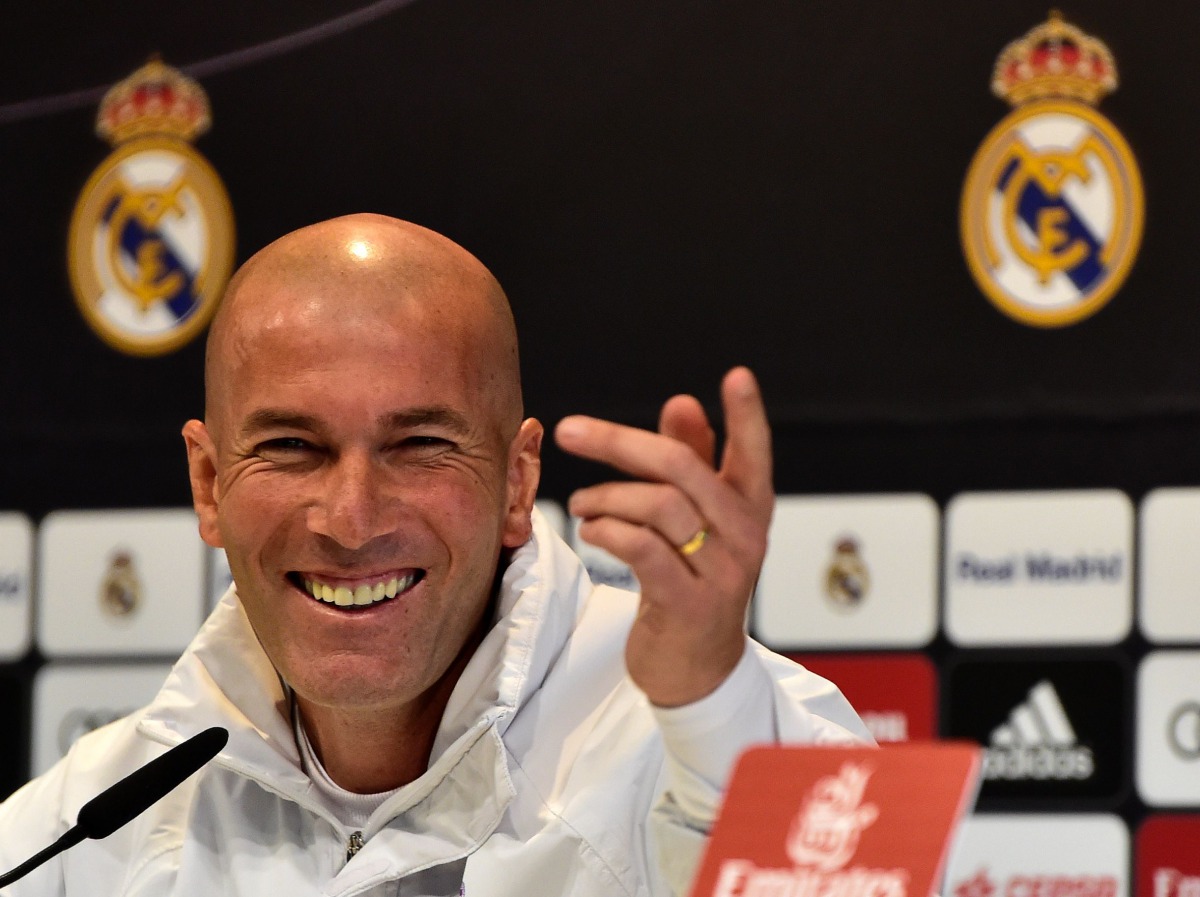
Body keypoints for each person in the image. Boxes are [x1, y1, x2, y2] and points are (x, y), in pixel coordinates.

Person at [0, 214, 868, 896]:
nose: (349, 518)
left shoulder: (721, 730)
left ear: (518, 482)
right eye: (293, 445)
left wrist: (711, 710)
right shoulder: (91, 823)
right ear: (207, 480)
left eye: (418, 444)